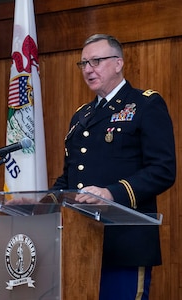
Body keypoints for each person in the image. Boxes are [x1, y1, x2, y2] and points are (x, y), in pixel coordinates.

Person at [52, 34, 176, 299]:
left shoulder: (145, 104)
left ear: (118, 63)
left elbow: (163, 170)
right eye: (83, 63)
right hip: (81, 244)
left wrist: (111, 193)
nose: (88, 69)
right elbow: (70, 177)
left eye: (96, 61)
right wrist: (39, 203)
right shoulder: (81, 116)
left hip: (125, 244)